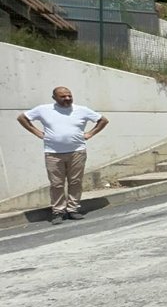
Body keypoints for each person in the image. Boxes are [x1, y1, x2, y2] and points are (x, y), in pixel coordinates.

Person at [16, 87, 109, 225]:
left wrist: (89, 134)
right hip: (53, 153)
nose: (67, 99)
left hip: (77, 151)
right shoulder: (43, 109)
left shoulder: (81, 110)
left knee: (75, 182)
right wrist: (37, 133)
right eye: (63, 96)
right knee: (56, 184)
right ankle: (58, 212)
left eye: (69, 96)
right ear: (54, 98)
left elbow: (103, 120)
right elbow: (22, 118)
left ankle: (73, 210)